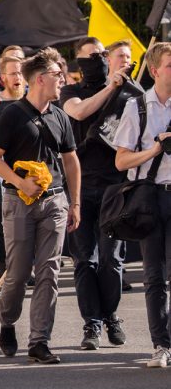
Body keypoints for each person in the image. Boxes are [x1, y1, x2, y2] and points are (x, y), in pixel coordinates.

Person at [0, 47, 80, 364]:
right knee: (17, 273)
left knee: (49, 271)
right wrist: (20, 181)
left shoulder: (60, 116)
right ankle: (7, 320)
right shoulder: (12, 115)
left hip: (54, 201)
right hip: (19, 201)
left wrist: (75, 202)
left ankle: (39, 341)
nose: (62, 80)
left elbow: (71, 161)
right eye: (57, 75)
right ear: (40, 79)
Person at [62, 37, 137, 350]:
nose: (101, 59)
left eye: (104, 54)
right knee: (85, 261)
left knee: (111, 260)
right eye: (93, 56)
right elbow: (79, 114)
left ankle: (111, 316)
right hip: (80, 186)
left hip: (115, 187)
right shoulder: (71, 91)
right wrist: (110, 88)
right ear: (80, 61)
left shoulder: (130, 92)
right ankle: (91, 324)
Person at [113, 42, 171, 368]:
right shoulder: (137, 107)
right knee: (153, 277)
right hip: (148, 197)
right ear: (154, 70)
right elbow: (120, 161)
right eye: (170, 65)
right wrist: (154, 149)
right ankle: (160, 345)